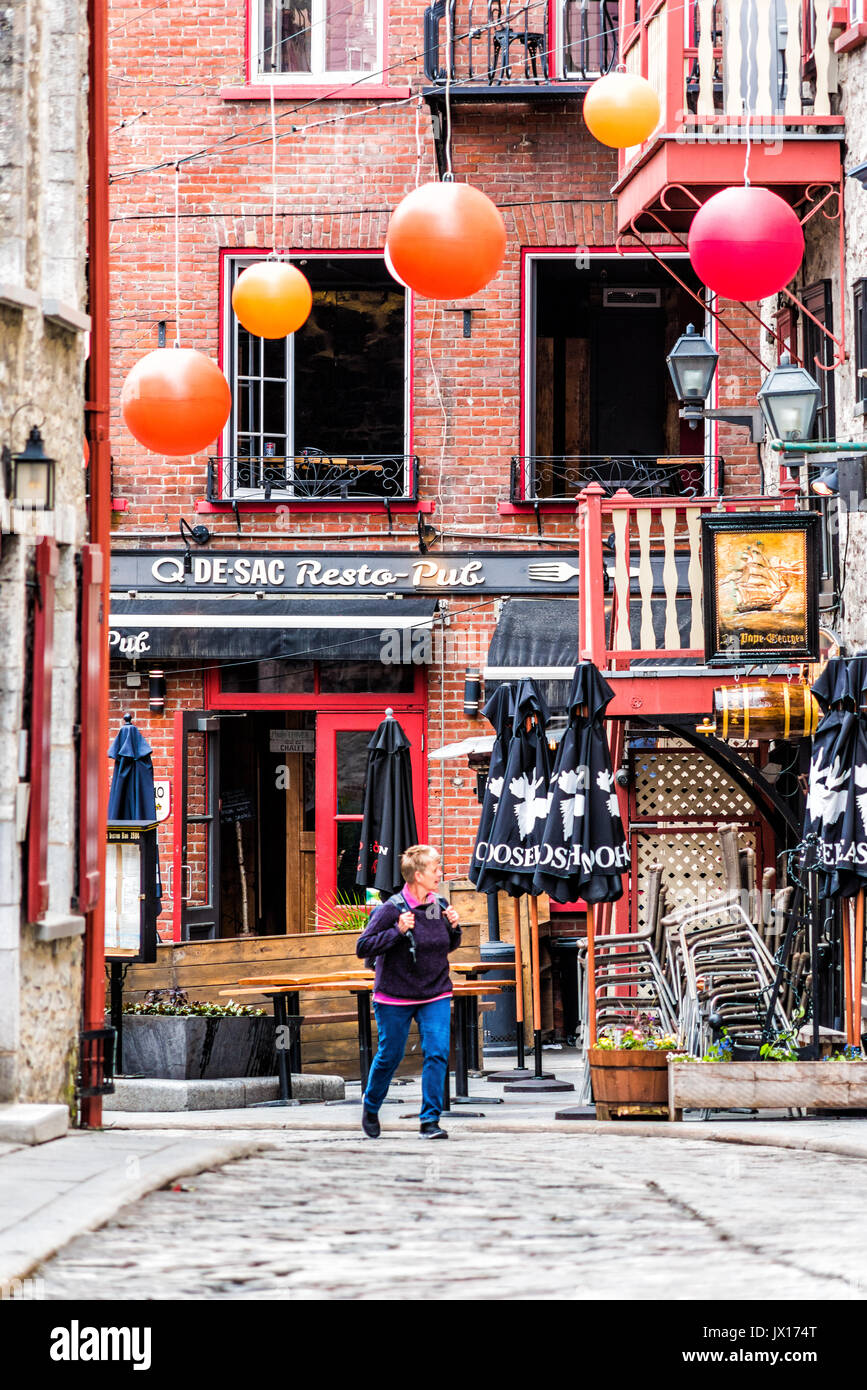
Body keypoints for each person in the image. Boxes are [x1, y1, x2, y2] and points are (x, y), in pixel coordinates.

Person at [355, 844, 461, 1139]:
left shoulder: (436, 905)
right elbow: (362, 948)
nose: (440, 874)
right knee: (391, 1054)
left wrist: (454, 928)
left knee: (438, 1052)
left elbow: (443, 946)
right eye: (435, 869)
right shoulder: (391, 910)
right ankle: (371, 1104)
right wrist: (397, 931)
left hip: (436, 991)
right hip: (395, 995)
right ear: (416, 875)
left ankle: (430, 1121)